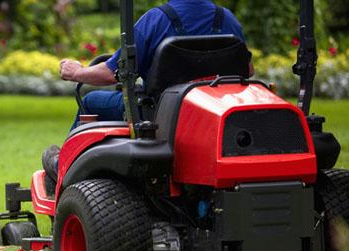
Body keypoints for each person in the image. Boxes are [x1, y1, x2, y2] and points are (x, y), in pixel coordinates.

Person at [42, 0, 248, 196]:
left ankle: (62, 168)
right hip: (211, 113)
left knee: (91, 100)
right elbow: (247, 69)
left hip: (157, 115)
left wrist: (76, 72)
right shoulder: (227, 19)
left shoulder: (156, 20)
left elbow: (110, 72)